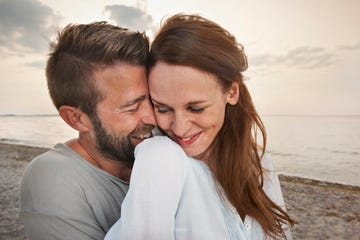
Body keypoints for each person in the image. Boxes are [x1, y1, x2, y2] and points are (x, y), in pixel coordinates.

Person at [105, 14, 296, 239]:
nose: (180, 128)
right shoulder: (160, 158)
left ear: (231, 92)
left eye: (195, 108)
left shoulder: (260, 165)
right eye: (163, 109)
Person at [19, 21, 156, 240]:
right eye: (132, 107)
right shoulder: (54, 178)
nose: (153, 116)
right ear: (77, 119)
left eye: (155, 98)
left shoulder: (161, 148)